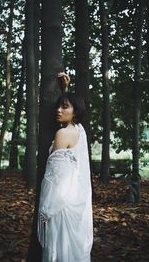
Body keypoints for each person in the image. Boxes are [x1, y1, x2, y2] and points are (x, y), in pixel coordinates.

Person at [37, 73, 93, 262]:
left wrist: (46, 208)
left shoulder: (62, 134)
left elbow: (54, 177)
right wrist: (65, 91)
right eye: (58, 106)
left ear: (75, 111)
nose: (58, 110)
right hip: (75, 201)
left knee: (59, 252)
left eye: (65, 107)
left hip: (61, 206)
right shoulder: (80, 130)